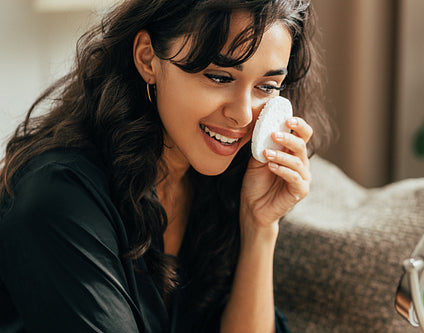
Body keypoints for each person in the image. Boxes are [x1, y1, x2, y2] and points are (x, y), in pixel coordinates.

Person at [0, 0, 330, 332]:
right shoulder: (59, 198)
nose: (244, 115)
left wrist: (259, 227)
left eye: (267, 87)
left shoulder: (222, 185)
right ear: (147, 58)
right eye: (218, 77)